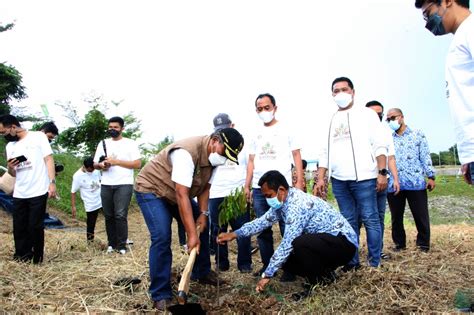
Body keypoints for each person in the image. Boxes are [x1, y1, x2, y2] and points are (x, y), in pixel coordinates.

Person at [134, 127, 244, 311]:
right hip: (152, 190)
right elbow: (181, 194)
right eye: (224, 152)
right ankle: (160, 294)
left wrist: (202, 214)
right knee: (162, 235)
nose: (224, 159)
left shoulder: (214, 159)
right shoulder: (186, 153)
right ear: (215, 140)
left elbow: (205, 189)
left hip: (176, 193)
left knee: (203, 225)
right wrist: (191, 234)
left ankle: (201, 272)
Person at [218, 170, 358, 301]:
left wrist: (267, 274)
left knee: (299, 243)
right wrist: (234, 234)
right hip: (327, 244)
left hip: (344, 243)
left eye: (268, 195)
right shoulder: (282, 203)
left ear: (281, 190)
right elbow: (261, 223)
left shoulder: (297, 205)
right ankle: (325, 276)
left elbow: (288, 243)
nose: (267, 200)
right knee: (286, 261)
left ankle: (316, 284)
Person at [315, 77, 388, 270]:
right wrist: (321, 178)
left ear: (353, 92)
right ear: (332, 95)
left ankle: (374, 262)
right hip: (340, 180)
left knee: (371, 219)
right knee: (347, 222)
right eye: (336, 91)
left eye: (344, 89)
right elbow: (324, 152)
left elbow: (380, 145)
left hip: (365, 177)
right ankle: (352, 261)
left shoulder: (367, 115)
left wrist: (382, 172)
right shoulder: (329, 119)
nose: (340, 94)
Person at [245, 93, 304, 281]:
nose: (264, 111)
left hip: (281, 189)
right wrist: (247, 186)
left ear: (275, 108)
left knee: (288, 227)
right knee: (263, 229)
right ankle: (267, 265)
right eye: (259, 109)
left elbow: (296, 156)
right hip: (259, 188)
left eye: (267, 108)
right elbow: (251, 161)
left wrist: (299, 181)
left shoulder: (287, 128)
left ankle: (290, 268)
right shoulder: (254, 133)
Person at [415, 0, 473, 185]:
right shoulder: (461, 37)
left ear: (448, 1)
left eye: (428, 13)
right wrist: (468, 155)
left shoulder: (470, 30)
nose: (428, 22)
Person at [1, 114, 56, 264]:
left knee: (35, 226)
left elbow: (49, 159)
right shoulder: (10, 146)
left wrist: (52, 182)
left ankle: (37, 257)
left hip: (38, 189)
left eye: (4, 132)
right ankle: (22, 255)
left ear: (13, 127)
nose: (3, 135)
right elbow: (12, 173)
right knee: (19, 226)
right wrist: (11, 168)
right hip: (20, 191)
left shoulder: (38, 137)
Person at [385, 108, 436, 252]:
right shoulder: (388, 138)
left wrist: (430, 176)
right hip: (395, 184)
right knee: (396, 217)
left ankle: (423, 245)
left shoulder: (417, 135)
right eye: (388, 119)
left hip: (416, 182)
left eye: (393, 117)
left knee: (420, 215)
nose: (391, 121)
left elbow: (425, 156)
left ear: (401, 117)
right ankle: (399, 244)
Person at [208, 113, 252, 273]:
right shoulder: (212, 143)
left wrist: (247, 187)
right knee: (218, 229)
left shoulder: (243, 143)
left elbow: (249, 166)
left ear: (232, 126)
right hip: (216, 192)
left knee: (242, 229)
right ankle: (221, 262)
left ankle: (245, 263)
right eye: (219, 130)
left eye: (225, 129)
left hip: (237, 192)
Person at [93, 116, 141, 255]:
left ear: (122, 129)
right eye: (110, 127)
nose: (112, 130)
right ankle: (111, 244)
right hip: (106, 183)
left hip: (124, 184)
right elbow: (95, 164)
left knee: (120, 214)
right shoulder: (103, 143)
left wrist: (116, 162)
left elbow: (137, 164)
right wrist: (102, 165)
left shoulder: (130, 143)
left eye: (115, 127)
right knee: (108, 215)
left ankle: (121, 245)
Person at [365, 100, 401, 260]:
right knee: (360, 217)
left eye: (379, 114)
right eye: (372, 113)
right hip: (364, 180)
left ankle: (377, 251)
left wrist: (395, 178)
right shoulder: (360, 130)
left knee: (379, 216)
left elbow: (390, 157)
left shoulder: (385, 131)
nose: (375, 116)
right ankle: (353, 251)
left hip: (382, 180)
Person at [71, 157, 102, 241]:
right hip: (90, 203)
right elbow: (73, 192)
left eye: (93, 168)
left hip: (102, 199)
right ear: (84, 166)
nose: (92, 170)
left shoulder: (96, 170)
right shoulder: (77, 176)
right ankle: (90, 242)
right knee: (91, 224)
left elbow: (100, 180)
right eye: (90, 169)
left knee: (111, 218)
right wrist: (73, 207)